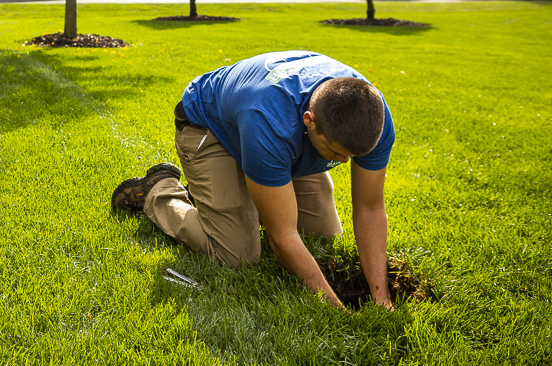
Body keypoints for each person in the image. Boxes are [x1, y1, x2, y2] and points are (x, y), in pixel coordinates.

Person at [111, 50, 395, 309]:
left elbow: (369, 208)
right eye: (336, 153)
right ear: (310, 120)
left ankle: (229, 195)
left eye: (352, 156)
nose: (343, 162)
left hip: (279, 142)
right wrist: (334, 309)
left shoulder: (372, 115)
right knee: (238, 255)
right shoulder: (270, 120)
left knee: (323, 238)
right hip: (210, 129)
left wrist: (382, 298)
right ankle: (159, 190)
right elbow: (282, 236)